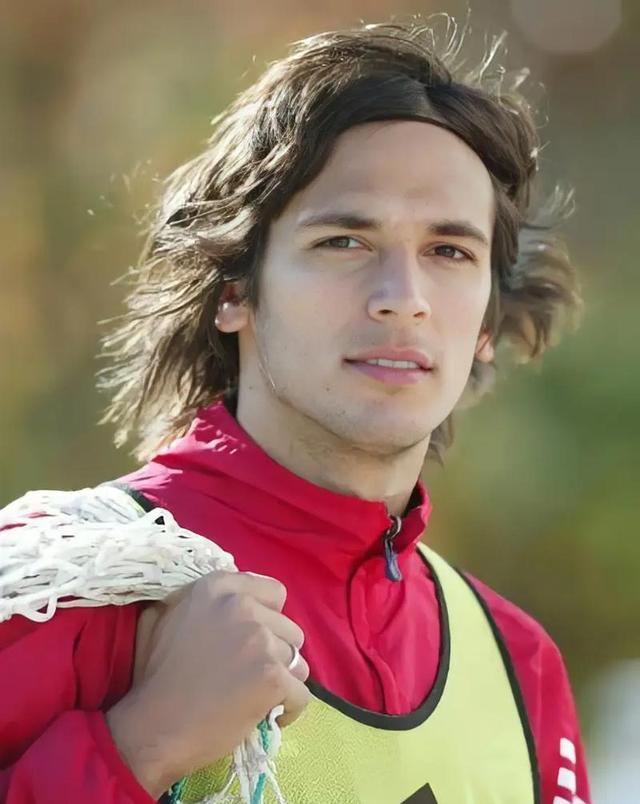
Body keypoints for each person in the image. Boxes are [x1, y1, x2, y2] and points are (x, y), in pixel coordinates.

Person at [0, 18, 591, 804]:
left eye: (450, 251)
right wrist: (144, 743)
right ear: (234, 290)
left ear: (486, 324)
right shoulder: (62, 587)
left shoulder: (521, 667)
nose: (403, 299)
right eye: (345, 241)